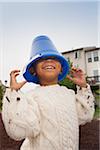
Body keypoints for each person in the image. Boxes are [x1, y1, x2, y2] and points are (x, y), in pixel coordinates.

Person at [2, 35, 95, 150]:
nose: (49, 60)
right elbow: (17, 131)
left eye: (54, 58)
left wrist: (83, 87)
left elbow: (85, 115)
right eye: (41, 59)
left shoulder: (69, 94)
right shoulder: (31, 97)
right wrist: (13, 93)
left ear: (61, 68)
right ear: (33, 70)